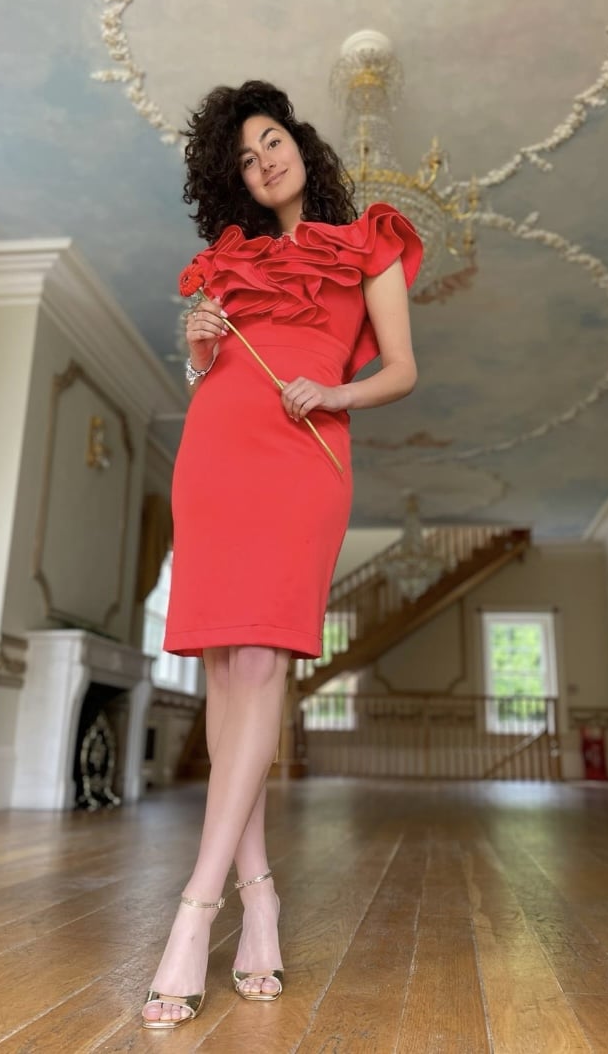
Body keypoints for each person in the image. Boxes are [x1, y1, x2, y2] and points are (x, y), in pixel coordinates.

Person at [142, 79, 422, 1029]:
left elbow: (402, 369)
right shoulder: (228, 262)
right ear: (237, 182)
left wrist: (334, 393)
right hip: (215, 457)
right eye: (245, 159)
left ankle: (197, 910)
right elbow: (212, 373)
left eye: (271, 140)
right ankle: (259, 895)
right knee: (228, 676)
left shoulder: (370, 240)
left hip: (303, 460)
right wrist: (197, 347)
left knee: (259, 664)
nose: (264, 161)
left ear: (299, 141)